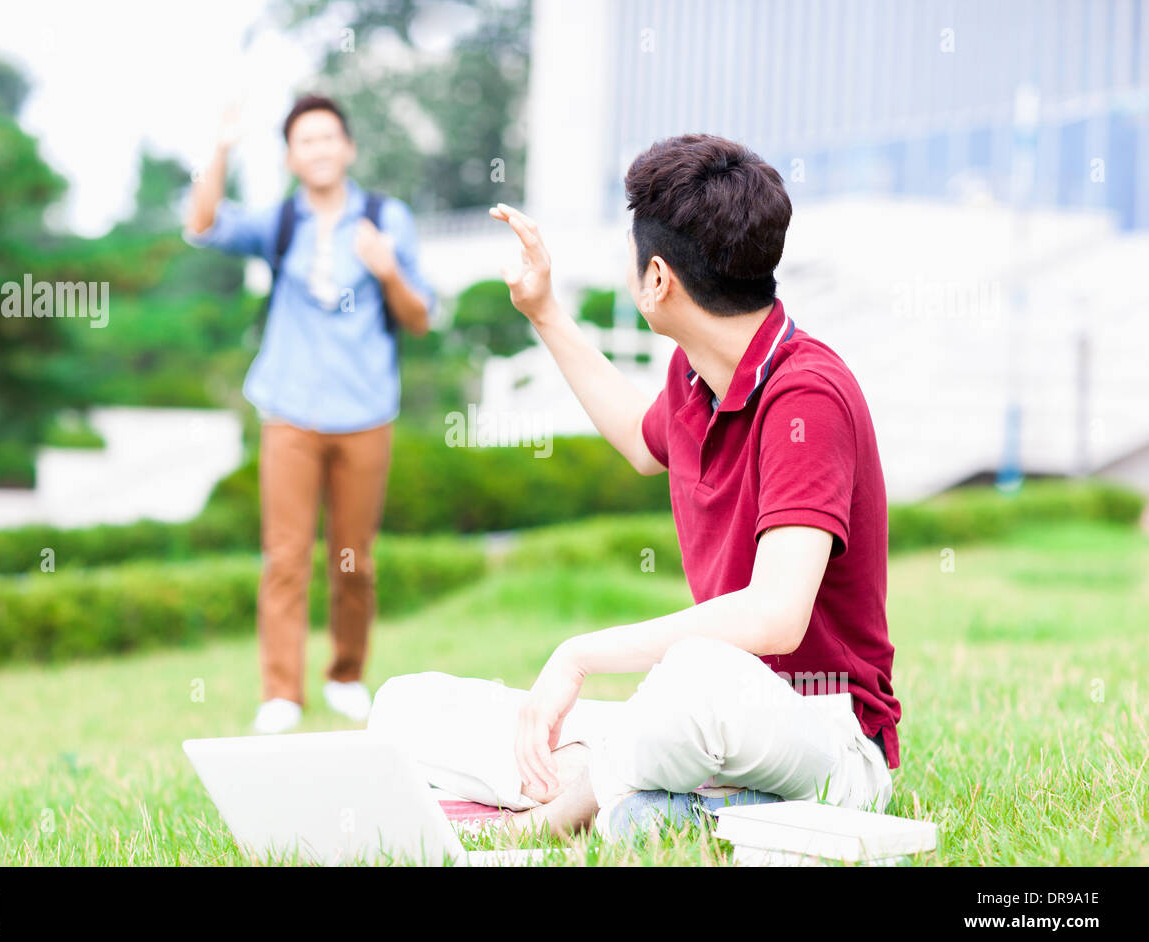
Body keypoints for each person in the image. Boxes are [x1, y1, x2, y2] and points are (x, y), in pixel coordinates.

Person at [367, 134, 900, 841]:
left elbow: (776, 616)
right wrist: (545, 312)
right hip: (701, 723)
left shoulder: (808, 395)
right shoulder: (695, 376)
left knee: (696, 677)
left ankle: (550, 821)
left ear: (656, 278)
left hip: (826, 735)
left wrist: (579, 653)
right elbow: (640, 439)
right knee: (408, 706)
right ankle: (650, 800)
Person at [185, 94, 435, 734]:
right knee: (285, 556)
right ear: (291, 157)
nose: (320, 150)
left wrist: (386, 271)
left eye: (330, 138)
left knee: (355, 559)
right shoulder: (279, 221)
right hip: (289, 409)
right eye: (306, 141)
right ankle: (281, 694)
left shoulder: (387, 218)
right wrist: (218, 150)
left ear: (348, 148)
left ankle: (347, 675)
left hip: (366, 409)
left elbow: (420, 316)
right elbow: (203, 224)